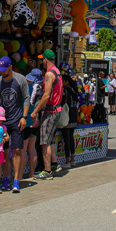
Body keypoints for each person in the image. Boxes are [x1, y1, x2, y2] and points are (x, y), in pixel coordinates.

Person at [0, 56, 30, 193]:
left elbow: (26, 98)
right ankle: (6, 178)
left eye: (4, 70)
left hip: (16, 119)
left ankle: (16, 180)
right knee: (4, 152)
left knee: (17, 150)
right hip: (3, 121)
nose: (2, 73)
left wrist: (24, 117)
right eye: (0, 71)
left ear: (10, 67)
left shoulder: (20, 79)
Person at [31, 49, 63, 180]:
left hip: (51, 110)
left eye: (42, 59)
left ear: (45, 60)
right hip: (57, 109)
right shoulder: (57, 71)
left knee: (44, 142)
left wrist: (35, 111)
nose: (41, 61)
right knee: (49, 139)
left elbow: (46, 95)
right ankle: (54, 164)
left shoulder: (49, 74)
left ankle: (47, 170)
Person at [20, 69, 41, 180]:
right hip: (36, 120)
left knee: (23, 150)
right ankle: (31, 173)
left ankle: (19, 176)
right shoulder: (40, 89)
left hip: (27, 120)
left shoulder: (27, 89)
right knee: (32, 149)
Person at [61, 74, 78, 168]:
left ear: (66, 82)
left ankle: (67, 161)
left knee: (66, 140)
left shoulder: (65, 91)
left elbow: (63, 102)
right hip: (74, 116)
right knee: (71, 139)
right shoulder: (74, 90)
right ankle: (72, 159)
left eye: (62, 81)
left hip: (66, 117)